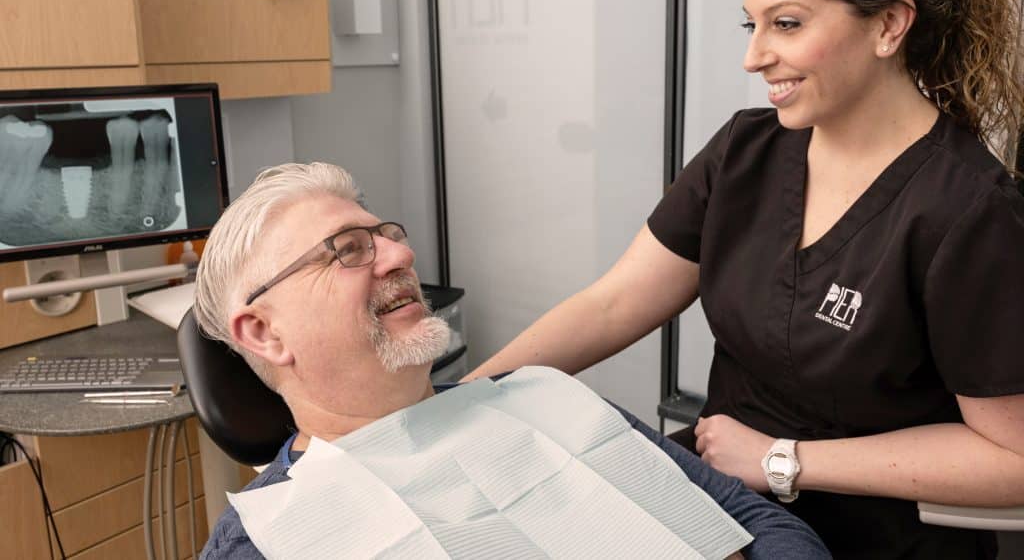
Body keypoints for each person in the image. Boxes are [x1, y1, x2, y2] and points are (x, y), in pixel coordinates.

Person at [465, 0, 1024, 559]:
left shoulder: (969, 209)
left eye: (785, 24)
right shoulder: (747, 151)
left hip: (869, 533)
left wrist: (781, 459)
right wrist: (463, 399)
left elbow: (1011, 458)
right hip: (720, 497)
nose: (753, 56)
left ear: (888, 26)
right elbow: (612, 304)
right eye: (750, 25)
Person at [192, 162, 828, 559]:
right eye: (348, 250)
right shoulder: (272, 538)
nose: (398, 257)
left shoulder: (540, 396)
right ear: (265, 333)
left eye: (386, 236)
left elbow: (757, 520)